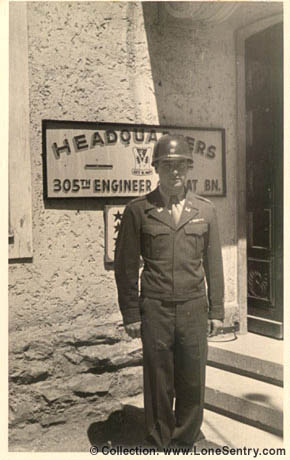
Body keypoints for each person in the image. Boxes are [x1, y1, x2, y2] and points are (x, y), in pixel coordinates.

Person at [114, 134, 224, 449]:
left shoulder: (205, 210)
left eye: (180, 166)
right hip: (156, 308)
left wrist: (217, 311)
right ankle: (159, 439)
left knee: (192, 376)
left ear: (188, 169)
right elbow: (125, 267)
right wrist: (131, 312)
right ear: (156, 169)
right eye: (167, 165)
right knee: (158, 378)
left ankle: (185, 438)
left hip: (192, 307)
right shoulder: (139, 210)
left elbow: (213, 264)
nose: (174, 172)